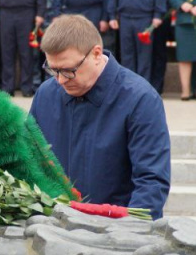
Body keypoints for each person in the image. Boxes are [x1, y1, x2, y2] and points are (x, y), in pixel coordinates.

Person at [29, 14, 170, 218]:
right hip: (53, 230)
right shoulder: (46, 94)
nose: (60, 80)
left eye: (69, 71)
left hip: (113, 235)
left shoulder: (140, 99)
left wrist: (127, 235)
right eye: (53, 70)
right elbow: (30, 163)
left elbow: (151, 183)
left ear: (96, 54)